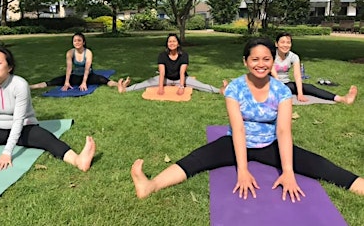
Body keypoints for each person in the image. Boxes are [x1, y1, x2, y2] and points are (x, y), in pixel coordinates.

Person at [130, 37, 364, 200]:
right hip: (236, 142)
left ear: (272, 62)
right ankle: (150, 186)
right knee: (196, 159)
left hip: (270, 144)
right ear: (245, 61)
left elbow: (283, 131)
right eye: (255, 59)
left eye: (266, 59)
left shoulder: (281, 91)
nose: (261, 64)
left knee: (317, 164)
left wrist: (288, 171)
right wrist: (242, 170)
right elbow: (238, 129)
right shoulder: (235, 88)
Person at [118, 33, 225, 95]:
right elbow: (162, 72)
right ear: (167, 44)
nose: (172, 43)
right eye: (169, 41)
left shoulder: (184, 55)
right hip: (166, 78)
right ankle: (124, 89)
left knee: (201, 86)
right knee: (146, 83)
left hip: (180, 78)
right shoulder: (162, 55)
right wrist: (160, 87)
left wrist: (182, 87)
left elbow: (182, 72)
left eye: (174, 41)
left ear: (178, 44)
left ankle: (220, 90)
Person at [271, 32, 357, 104]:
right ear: (276, 44)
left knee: (309, 87)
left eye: (288, 42)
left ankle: (342, 99)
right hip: (269, 84)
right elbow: (271, 70)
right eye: (282, 42)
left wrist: (300, 94)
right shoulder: (270, 54)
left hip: (285, 84)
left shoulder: (294, 56)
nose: (285, 45)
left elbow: (297, 75)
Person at [29, 32, 123, 91]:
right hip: (75, 76)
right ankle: (30, 87)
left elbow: (87, 69)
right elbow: (69, 68)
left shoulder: (88, 52)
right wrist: (66, 82)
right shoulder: (70, 52)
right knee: (55, 81)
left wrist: (84, 82)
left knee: (103, 80)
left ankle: (120, 85)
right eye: (75, 41)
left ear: (83, 42)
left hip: (88, 76)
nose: (77, 42)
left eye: (79, 40)